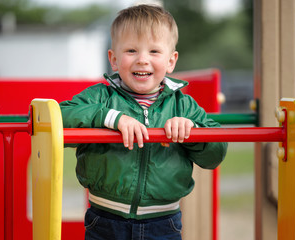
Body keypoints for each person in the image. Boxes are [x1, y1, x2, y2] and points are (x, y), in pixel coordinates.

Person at [60, 4, 227, 240]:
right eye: (131, 50)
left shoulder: (183, 106)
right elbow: (59, 117)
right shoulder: (101, 97)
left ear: (171, 61)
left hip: (164, 223)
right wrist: (110, 117)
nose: (142, 60)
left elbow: (216, 154)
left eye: (154, 52)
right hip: (105, 221)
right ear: (114, 59)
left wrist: (192, 132)